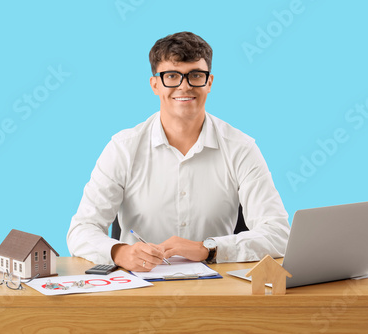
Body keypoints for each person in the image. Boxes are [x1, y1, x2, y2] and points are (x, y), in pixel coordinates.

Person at [67, 31, 290, 272]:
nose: (184, 86)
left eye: (195, 75)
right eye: (172, 76)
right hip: (137, 290)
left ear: (209, 82)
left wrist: (209, 248)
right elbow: (81, 229)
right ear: (155, 84)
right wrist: (120, 252)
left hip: (217, 291)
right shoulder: (123, 148)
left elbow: (279, 234)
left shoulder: (241, 148)